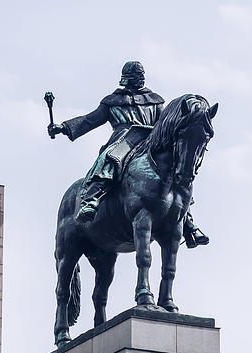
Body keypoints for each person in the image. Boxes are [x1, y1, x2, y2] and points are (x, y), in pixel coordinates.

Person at [48, 60, 209, 248]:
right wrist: (64, 127)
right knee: (110, 159)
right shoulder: (112, 101)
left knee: (175, 171)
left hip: (152, 141)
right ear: (126, 79)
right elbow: (90, 120)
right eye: (134, 78)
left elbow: (165, 122)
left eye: (139, 78)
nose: (137, 81)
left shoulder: (155, 100)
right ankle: (91, 200)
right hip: (124, 139)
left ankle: (187, 220)